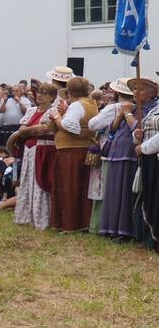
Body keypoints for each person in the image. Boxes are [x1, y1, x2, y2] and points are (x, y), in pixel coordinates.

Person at [93, 78, 143, 240]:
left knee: (125, 193)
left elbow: (137, 129)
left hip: (129, 154)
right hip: (115, 151)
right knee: (113, 192)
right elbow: (112, 129)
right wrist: (120, 115)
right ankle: (111, 227)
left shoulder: (141, 109)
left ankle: (124, 230)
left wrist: (128, 113)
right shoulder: (123, 108)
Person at [49, 76, 97, 232]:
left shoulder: (77, 105)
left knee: (70, 186)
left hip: (71, 152)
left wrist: (57, 118)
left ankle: (70, 223)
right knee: (80, 186)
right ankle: (82, 222)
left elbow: (69, 126)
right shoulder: (91, 103)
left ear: (70, 91)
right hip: (81, 150)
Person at [8, 81, 59, 230]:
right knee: (27, 181)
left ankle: (42, 218)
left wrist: (28, 130)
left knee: (41, 181)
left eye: (45, 93)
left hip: (44, 150)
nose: (40, 95)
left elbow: (47, 129)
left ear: (52, 97)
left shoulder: (54, 111)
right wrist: (32, 130)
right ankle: (26, 216)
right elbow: (21, 130)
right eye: (40, 92)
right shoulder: (31, 111)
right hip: (30, 150)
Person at [131, 75, 159, 249]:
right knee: (148, 197)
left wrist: (145, 147)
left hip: (154, 156)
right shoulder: (154, 109)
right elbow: (141, 131)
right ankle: (149, 237)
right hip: (149, 161)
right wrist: (137, 137)